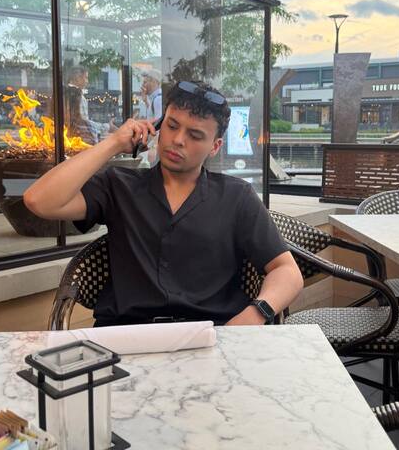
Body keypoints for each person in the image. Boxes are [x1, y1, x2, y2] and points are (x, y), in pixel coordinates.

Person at [24, 80, 303, 327]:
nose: (178, 140)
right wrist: (114, 143)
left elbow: (287, 271)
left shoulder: (236, 197)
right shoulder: (119, 186)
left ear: (215, 146)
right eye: (172, 126)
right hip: (127, 335)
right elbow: (39, 201)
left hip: (210, 335)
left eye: (195, 135)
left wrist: (255, 314)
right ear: (159, 125)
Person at [66, 66, 115, 143]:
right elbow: (82, 122)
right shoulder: (76, 96)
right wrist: (107, 126)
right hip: (76, 140)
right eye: (86, 78)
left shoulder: (65, 93)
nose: (87, 81)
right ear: (78, 78)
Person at [139, 68, 162, 166]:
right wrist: (145, 101)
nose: (143, 85)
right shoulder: (155, 99)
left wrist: (154, 148)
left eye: (145, 82)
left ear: (154, 82)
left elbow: (159, 127)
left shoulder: (158, 100)